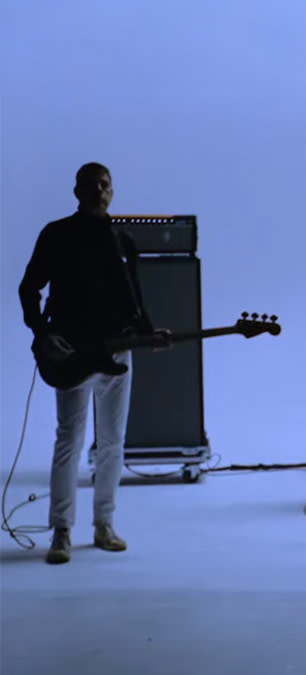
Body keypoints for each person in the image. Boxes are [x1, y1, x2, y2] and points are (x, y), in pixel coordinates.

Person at [18, 162, 169, 565]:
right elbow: (28, 287)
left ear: (112, 191)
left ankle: (104, 524)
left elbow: (133, 299)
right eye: (92, 184)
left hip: (117, 353)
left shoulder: (123, 239)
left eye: (106, 184)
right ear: (77, 191)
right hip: (73, 354)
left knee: (113, 443)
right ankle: (61, 530)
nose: (100, 190)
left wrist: (149, 332)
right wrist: (42, 334)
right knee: (69, 440)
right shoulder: (57, 235)